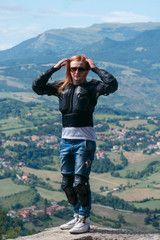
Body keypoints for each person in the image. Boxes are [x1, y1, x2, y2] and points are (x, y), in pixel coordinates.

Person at [32, 54, 118, 234]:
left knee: (80, 183)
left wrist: (95, 68)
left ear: (86, 70)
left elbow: (112, 85)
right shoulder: (61, 87)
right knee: (66, 184)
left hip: (85, 142)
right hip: (66, 141)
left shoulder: (94, 86)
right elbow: (37, 87)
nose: (77, 72)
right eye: (73, 68)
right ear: (69, 70)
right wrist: (54, 69)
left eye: (81, 68)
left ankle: (85, 219)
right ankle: (77, 215)